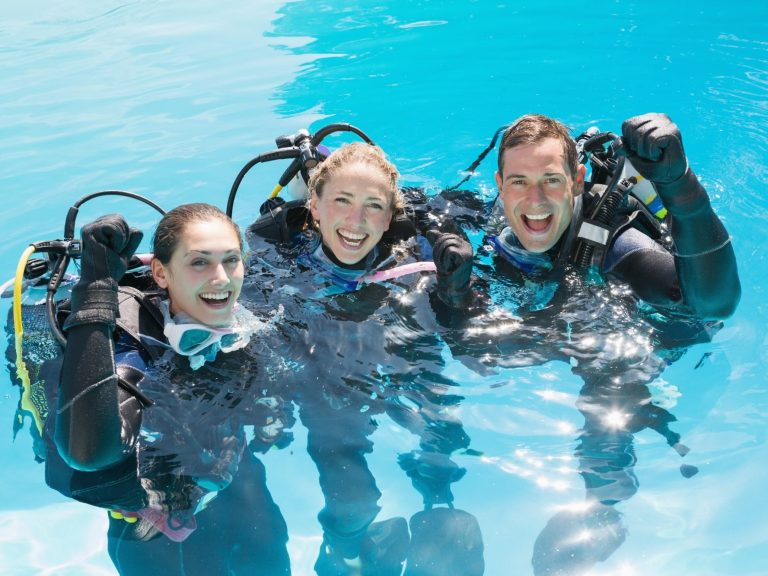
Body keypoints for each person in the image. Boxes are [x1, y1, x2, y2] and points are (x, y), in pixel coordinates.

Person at [425, 112, 741, 575]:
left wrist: (682, 190)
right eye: (519, 182)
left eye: (551, 181)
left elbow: (713, 307)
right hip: (558, 317)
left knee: (611, 367)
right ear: (499, 184)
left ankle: (605, 504)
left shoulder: (617, 244)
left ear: (576, 181)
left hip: (629, 333)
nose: (534, 201)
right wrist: (455, 295)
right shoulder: (486, 223)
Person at [244, 142, 484, 576]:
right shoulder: (276, 259)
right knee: (350, 500)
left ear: (390, 217)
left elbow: (474, 343)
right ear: (314, 208)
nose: (356, 222)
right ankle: (347, 549)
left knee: (444, 444)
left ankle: (438, 503)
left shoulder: (418, 257)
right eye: (342, 201)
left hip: (406, 351)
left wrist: (459, 292)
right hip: (327, 373)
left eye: (373, 206)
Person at [50, 203, 291, 575]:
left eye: (231, 260)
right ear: (160, 273)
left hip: (231, 478)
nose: (222, 278)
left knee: (270, 565)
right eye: (199, 262)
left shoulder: (248, 321)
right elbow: (90, 455)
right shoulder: (137, 345)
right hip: (148, 515)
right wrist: (96, 291)